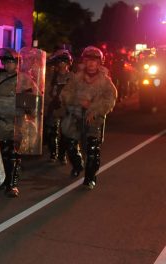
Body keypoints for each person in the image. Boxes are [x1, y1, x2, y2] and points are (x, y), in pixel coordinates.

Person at [60, 46, 117, 189]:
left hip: (94, 118)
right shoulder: (76, 78)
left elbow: (110, 99)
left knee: (92, 149)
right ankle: (78, 165)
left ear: (99, 63)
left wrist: (93, 108)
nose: (91, 64)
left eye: (94, 61)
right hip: (76, 115)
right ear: (84, 62)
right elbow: (65, 93)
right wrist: (77, 101)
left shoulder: (105, 81)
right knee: (70, 145)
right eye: (88, 60)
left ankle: (90, 178)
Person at [0, 48, 37, 198]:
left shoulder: (24, 79)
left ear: (17, 63)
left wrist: (29, 109)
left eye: (11, 62)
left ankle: (12, 184)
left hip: (16, 122)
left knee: (13, 154)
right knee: (1, 154)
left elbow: (32, 100)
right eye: (6, 62)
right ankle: (2, 180)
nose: (8, 65)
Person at [44, 49, 74, 164]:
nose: (62, 65)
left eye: (64, 62)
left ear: (68, 64)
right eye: (60, 62)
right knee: (52, 132)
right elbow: (45, 90)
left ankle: (62, 155)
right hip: (53, 108)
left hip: (67, 109)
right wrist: (50, 100)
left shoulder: (72, 77)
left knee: (65, 134)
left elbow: (75, 92)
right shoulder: (51, 77)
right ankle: (53, 154)